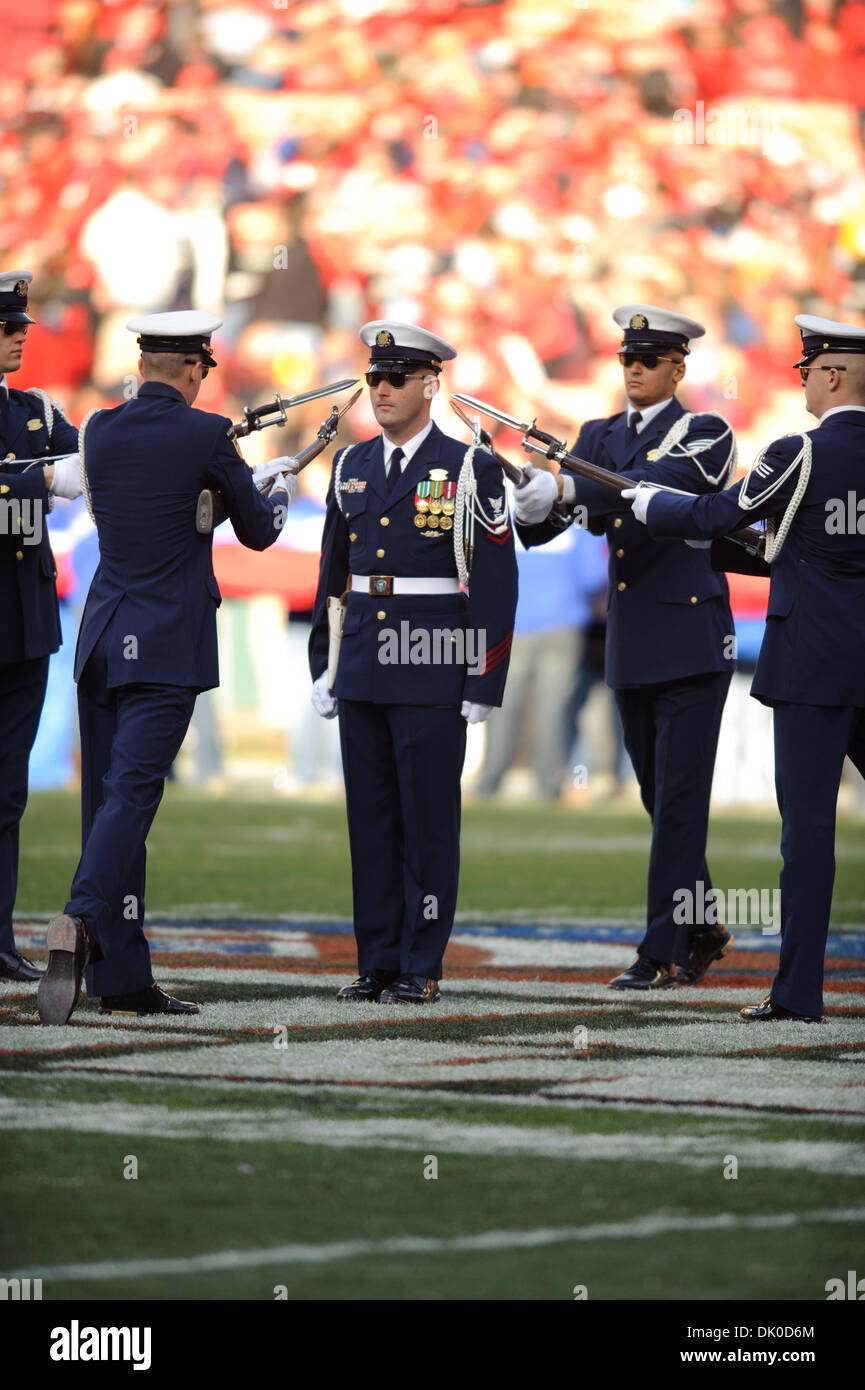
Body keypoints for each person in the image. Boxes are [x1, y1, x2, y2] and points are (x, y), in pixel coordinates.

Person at [37, 311, 295, 1024]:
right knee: (132, 800)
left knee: (108, 807)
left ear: (144, 363)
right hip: (165, 641)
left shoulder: (98, 428)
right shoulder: (208, 434)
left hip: (103, 634)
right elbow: (259, 533)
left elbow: (154, 504)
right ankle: (79, 918)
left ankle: (123, 979)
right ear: (194, 369)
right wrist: (274, 485)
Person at [625, 314, 865, 1023]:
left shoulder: (798, 451)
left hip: (812, 667)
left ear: (830, 375)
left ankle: (796, 994)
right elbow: (782, 544)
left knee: (809, 836)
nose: (801, 385)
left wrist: (651, 504)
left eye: (805, 372)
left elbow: (720, 513)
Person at [514, 305, 738, 990]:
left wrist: (569, 487)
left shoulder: (704, 431)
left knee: (676, 804)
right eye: (626, 360)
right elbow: (558, 522)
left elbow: (663, 490)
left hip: (693, 636)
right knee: (656, 796)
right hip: (633, 637)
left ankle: (658, 951)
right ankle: (700, 926)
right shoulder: (597, 434)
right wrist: (533, 498)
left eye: (648, 360)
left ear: (677, 367)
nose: (634, 370)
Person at [309, 321, 518, 1004]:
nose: (382, 390)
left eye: (396, 378)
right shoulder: (350, 464)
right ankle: (376, 960)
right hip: (365, 654)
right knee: (369, 819)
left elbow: (494, 578)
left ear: (431, 385)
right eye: (374, 378)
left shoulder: (469, 465)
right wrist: (324, 662)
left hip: (434, 656)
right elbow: (331, 574)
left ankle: (420, 963)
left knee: (427, 821)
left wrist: (483, 677)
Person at [0, 270, 81, 984]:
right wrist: (37, 482)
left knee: (6, 791)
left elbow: (98, 457)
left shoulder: (33, 411)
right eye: (7, 328)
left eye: (21, 325)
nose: (21, 335)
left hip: (23, 627)